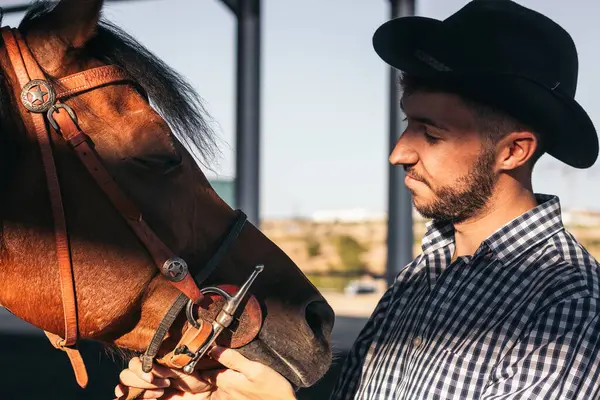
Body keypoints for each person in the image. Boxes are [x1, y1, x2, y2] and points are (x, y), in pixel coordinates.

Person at [116, 1, 600, 399]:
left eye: (430, 134)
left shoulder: (570, 305)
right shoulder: (425, 273)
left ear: (514, 151)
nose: (398, 152)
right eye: (408, 123)